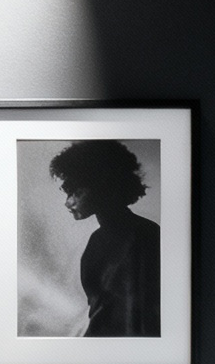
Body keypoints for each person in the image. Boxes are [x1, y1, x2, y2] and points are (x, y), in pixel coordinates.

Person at [47, 141, 161, 339]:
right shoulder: (101, 239)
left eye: (77, 191)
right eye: (68, 192)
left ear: (102, 187)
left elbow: (139, 314)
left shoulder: (142, 236)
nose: (68, 202)